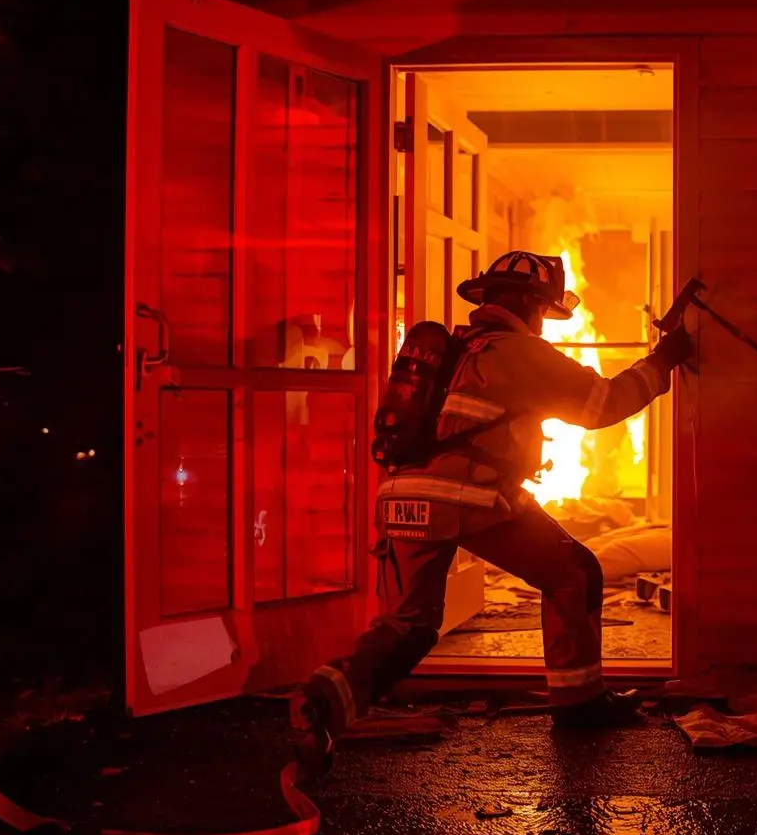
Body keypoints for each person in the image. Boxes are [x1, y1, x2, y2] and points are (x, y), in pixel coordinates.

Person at [292, 250, 693, 777]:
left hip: (400, 495)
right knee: (574, 571)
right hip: (469, 498)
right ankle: (579, 706)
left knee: (408, 624)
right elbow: (604, 404)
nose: (543, 324)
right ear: (530, 306)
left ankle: (323, 700)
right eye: (545, 313)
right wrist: (663, 361)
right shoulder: (522, 353)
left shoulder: (453, 349)